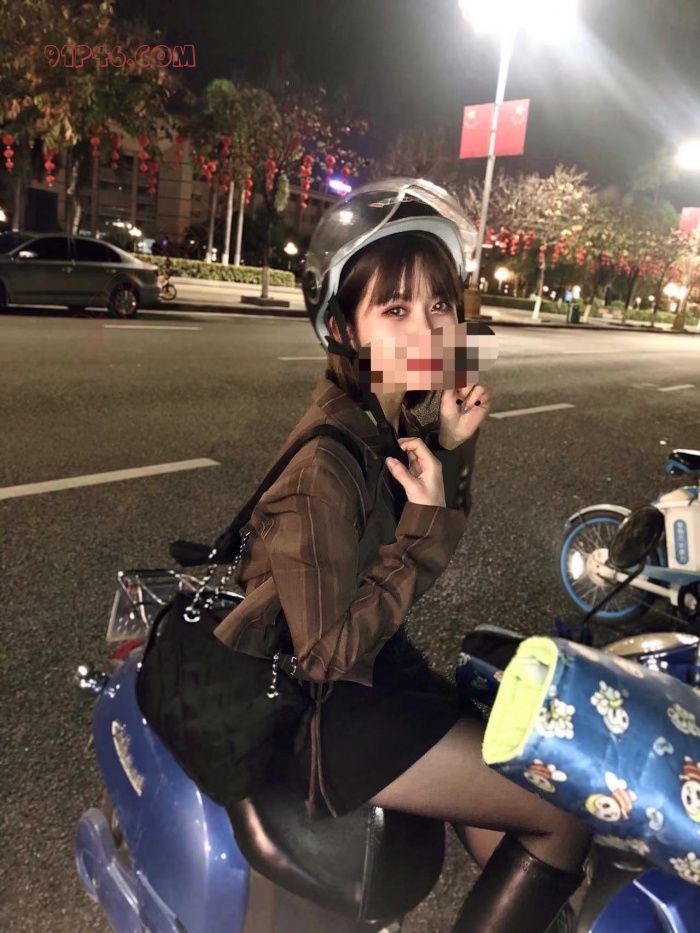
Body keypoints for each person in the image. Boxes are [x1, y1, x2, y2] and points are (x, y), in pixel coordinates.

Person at [214, 179, 590, 932]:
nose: (429, 329)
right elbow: (325, 654)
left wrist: (451, 443)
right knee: (562, 817)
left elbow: (413, 534)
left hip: (381, 674)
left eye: (440, 304)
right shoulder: (326, 466)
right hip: (326, 715)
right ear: (343, 327)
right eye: (394, 309)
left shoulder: (384, 421)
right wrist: (421, 531)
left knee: (512, 772)